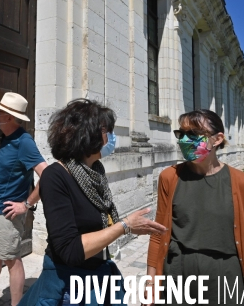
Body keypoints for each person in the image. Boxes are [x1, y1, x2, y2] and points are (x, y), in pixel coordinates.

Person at [20, 99, 167, 306]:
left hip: (97, 274)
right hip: (69, 285)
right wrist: (124, 226)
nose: (112, 138)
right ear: (88, 134)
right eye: (107, 131)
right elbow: (69, 250)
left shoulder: (95, 172)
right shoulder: (56, 176)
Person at [144, 109, 244, 306]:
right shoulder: (170, 177)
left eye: (193, 134)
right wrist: (150, 283)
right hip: (178, 278)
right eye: (181, 134)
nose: (185, 140)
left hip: (226, 282)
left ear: (217, 139)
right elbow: (158, 233)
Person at [0, 92, 48, 306]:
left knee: (12, 260)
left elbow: (48, 175)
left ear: (10, 117)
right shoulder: (6, 139)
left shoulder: (24, 142)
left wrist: (26, 204)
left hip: (8, 215)